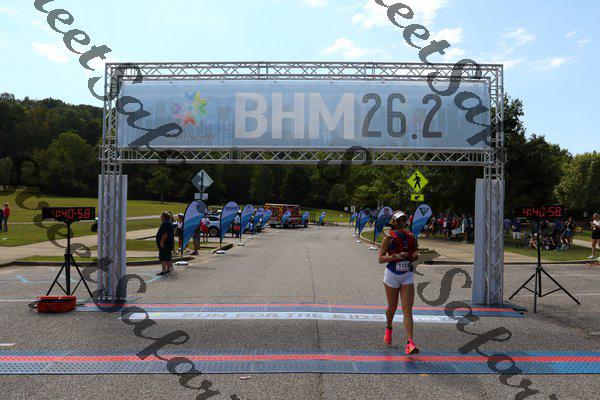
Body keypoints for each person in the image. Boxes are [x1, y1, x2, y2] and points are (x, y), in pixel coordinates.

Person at [378, 211, 420, 355]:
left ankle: (410, 343)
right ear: (394, 222)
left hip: (407, 274)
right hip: (392, 275)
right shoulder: (388, 238)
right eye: (401, 220)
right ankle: (389, 327)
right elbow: (380, 258)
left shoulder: (411, 236)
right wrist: (396, 256)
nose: (404, 222)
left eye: (405, 220)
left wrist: (415, 256)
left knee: (407, 308)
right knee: (392, 307)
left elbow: (415, 252)